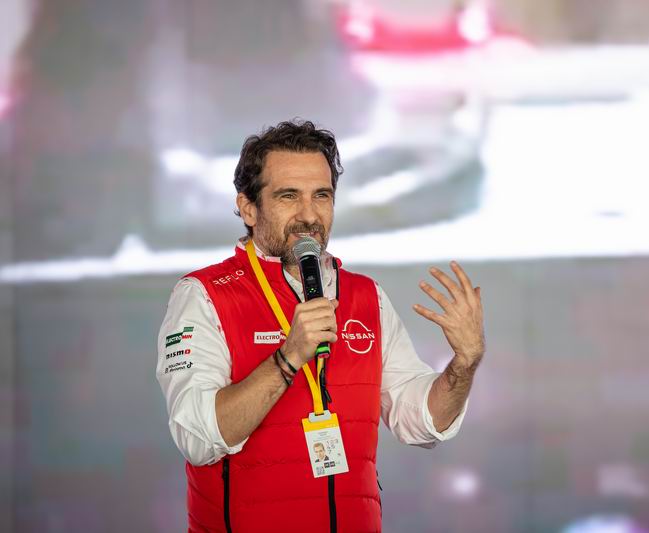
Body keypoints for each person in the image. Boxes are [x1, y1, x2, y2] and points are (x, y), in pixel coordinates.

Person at [156, 120, 485, 532]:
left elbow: (420, 423)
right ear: (248, 208)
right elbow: (198, 439)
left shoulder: (365, 296)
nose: (309, 215)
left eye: (322, 196)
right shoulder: (203, 295)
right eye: (288, 196)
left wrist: (464, 364)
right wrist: (288, 358)